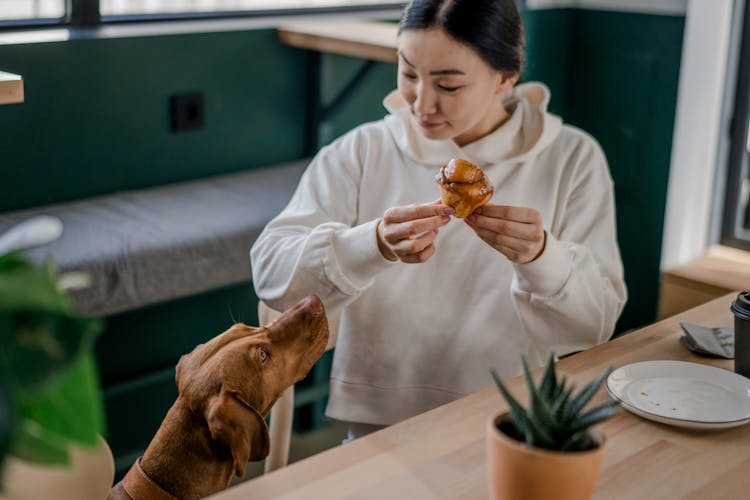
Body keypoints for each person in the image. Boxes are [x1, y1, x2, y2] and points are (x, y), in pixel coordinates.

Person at [250, 0, 627, 441]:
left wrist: (543, 258)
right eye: (408, 73)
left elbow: (596, 324)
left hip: (514, 426)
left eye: (448, 85)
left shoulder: (573, 158)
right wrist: (370, 244)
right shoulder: (361, 151)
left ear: (505, 78)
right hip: (380, 426)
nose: (421, 103)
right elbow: (271, 272)